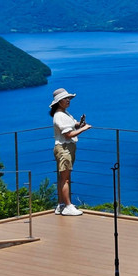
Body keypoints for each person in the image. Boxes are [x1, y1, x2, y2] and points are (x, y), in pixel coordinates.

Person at [49, 87, 90, 216]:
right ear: (58, 102)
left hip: (67, 148)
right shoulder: (59, 116)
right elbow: (68, 134)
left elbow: (73, 125)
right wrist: (84, 129)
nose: (68, 100)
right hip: (64, 148)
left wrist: (81, 124)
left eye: (68, 98)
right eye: (65, 99)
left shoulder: (65, 114)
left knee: (64, 177)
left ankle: (61, 205)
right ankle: (67, 206)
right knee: (65, 179)